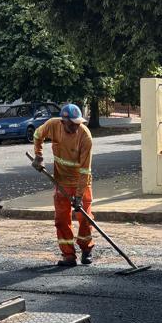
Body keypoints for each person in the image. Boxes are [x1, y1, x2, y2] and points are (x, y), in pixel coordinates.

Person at [31, 103, 94, 266]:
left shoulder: (85, 137)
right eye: (72, 124)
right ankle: (68, 255)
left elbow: (85, 170)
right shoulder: (53, 125)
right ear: (63, 121)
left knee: (85, 219)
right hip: (61, 182)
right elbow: (37, 135)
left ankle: (86, 249)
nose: (76, 127)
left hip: (81, 183)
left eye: (78, 123)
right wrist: (38, 156)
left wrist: (79, 197)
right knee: (61, 220)